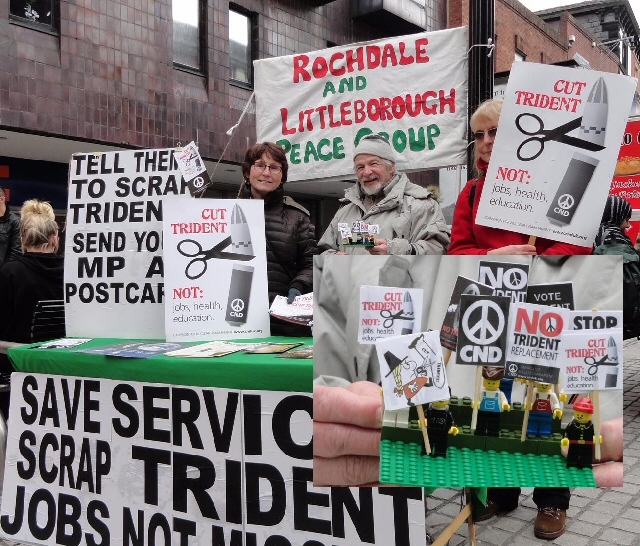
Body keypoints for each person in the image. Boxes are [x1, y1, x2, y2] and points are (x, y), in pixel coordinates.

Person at [313, 382, 623, 489]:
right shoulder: (440, 407)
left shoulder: (552, 400)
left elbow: (557, 408)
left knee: (539, 433)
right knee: (442, 441)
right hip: (444, 428)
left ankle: (552, 497)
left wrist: (562, 419)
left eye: (583, 414)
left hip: (541, 419)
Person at [448, 99, 592, 256]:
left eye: (494, 131)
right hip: (491, 278)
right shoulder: (471, 192)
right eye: (479, 135)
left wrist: (536, 265)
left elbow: (578, 242)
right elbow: (458, 253)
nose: (487, 141)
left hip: (547, 279)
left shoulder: (554, 183)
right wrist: (492, 257)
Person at [318, 134, 450, 255]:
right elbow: (323, 252)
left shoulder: (422, 205)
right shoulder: (344, 211)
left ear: (391, 167)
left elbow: (440, 251)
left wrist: (395, 250)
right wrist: (332, 257)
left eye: (373, 164)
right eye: (360, 167)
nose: (367, 172)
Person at [238, 142, 317, 336]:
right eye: (260, 165)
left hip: (283, 319)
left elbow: (311, 263)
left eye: (274, 167)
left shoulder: (298, 218)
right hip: (236, 317)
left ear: (282, 177)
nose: (266, 173)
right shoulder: (226, 214)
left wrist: (299, 285)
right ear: (247, 173)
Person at [0, 199, 64, 418]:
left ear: (23, 239)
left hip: (14, 376)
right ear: (55, 239)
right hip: (63, 373)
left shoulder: (10, 273)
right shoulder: (74, 275)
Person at [592, 194, 640, 339]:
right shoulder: (613, 237)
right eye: (626, 219)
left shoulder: (594, 234)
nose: (627, 225)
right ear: (616, 217)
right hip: (616, 318)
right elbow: (629, 278)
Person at [0, 187, 21, 265]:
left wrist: (4, 272)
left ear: (1, 199)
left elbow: (16, 253)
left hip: (3, 273)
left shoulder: (15, 222)